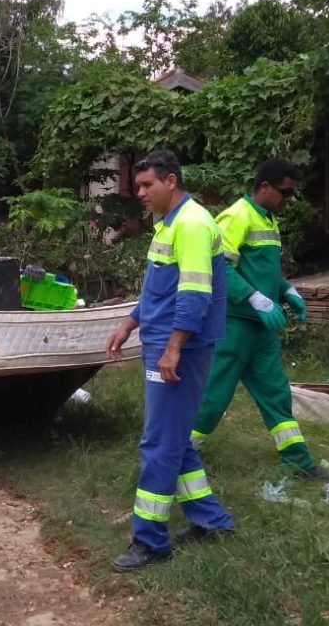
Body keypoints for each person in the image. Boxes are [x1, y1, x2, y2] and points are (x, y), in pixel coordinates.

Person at [105, 150, 234, 573]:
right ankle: (211, 521)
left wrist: (174, 346)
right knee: (173, 439)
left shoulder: (193, 225)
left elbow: (195, 295)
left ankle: (150, 540)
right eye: (138, 186)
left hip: (179, 349)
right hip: (162, 341)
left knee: (158, 443)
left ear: (171, 181)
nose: (140, 193)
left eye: (147, 185)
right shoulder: (170, 225)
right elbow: (158, 290)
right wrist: (129, 323)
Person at [190, 159, 329, 479]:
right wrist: (254, 298)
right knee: (214, 395)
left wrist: (287, 291)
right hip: (234, 324)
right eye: (285, 193)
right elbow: (218, 267)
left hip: (261, 328)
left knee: (276, 393)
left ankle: (298, 462)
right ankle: (180, 454)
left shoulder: (268, 219)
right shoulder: (237, 216)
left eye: (291, 194)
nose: (288, 200)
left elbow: (263, 272)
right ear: (264, 187)